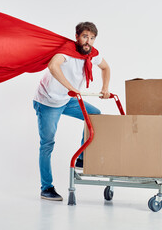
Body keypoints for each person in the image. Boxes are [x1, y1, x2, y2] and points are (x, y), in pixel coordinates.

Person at [33, 22, 111, 201]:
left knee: (95, 116)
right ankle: (46, 188)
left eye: (92, 38)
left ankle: (81, 157)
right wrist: (71, 88)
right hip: (48, 102)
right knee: (47, 144)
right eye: (85, 37)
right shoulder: (66, 51)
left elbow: (106, 68)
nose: (88, 41)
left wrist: (105, 87)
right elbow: (53, 66)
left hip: (68, 100)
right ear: (76, 36)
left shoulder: (92, 53)